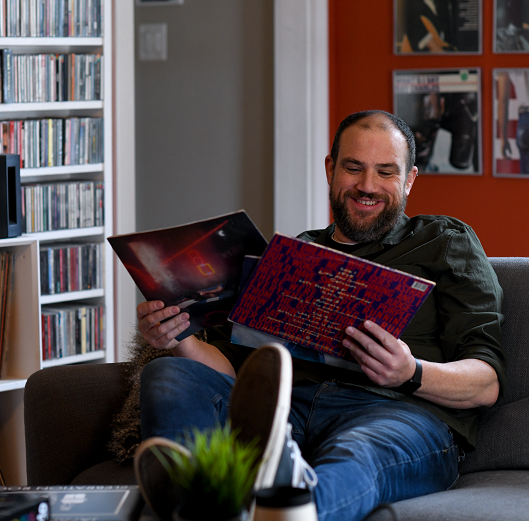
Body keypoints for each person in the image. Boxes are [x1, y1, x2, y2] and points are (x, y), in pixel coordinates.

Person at [133, 110, 505, 521]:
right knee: (167, 374)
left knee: (358, 454)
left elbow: (485, 383)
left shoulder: (443, 241)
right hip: (284, 412)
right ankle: (205, 494)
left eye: (385, 172)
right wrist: (179, 336)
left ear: (410, 179)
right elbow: (235, 373)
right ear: (331, 169)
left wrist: (410, 371)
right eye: (353, 168)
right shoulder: (292, 256)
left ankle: (267, 504)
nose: (367, 186)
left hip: (396, 414)